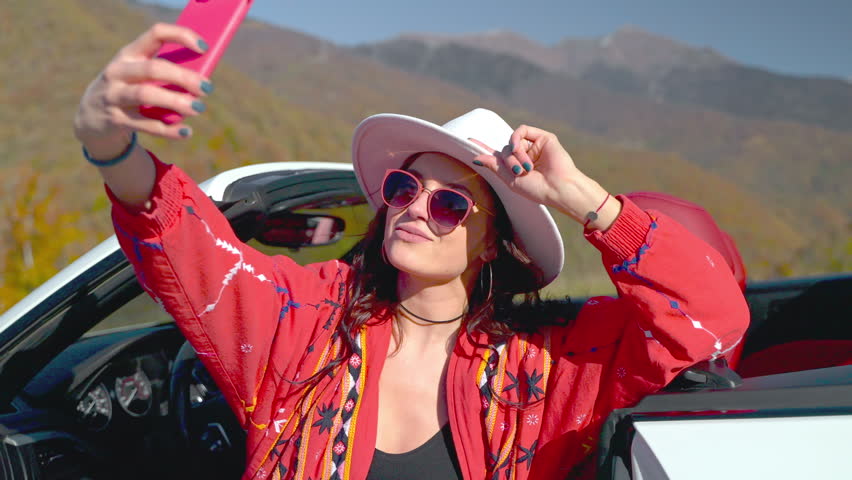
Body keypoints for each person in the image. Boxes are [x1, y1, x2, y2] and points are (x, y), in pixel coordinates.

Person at [73, 24, 749, 480]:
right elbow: (189, 247)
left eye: (451, 203)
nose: (416, 209)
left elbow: (707, 321)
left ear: (493, 243)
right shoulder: (305, 327)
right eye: (404, 187)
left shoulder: (552, 363)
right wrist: (110, 144)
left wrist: (582, 198)